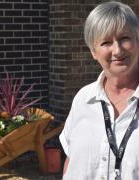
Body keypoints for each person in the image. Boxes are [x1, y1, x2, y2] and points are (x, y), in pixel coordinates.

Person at [59, 1, 139, 180]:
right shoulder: (83, 99)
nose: (117, 50)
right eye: (106, 42)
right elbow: (71, 161)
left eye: (125, 38)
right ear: (93, 52)